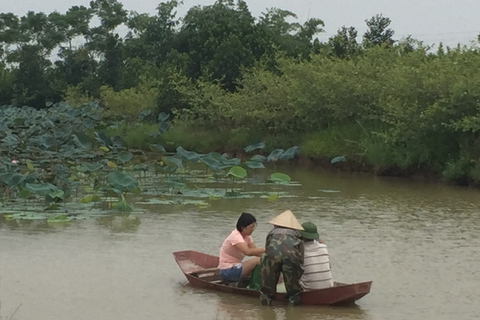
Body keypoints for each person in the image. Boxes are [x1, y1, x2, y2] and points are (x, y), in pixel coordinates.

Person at [259, 210, 305, 306]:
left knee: (267, 290)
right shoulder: (297, 235)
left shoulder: (271, 233)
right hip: (291, 257)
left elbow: (267, 249)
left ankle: (266, 307)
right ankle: (293, 308)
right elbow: (301, 255)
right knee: (293, 291)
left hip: (271, 257)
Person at [218, 213, 265, 283]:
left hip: (236, 267)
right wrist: (267, 248)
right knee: (257, 260)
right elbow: (248, 252)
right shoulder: (235, 236)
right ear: (243, 227)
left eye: (254, 227)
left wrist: (270, 256)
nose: (253, 229)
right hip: (227, 271)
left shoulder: (247, 236)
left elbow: (256, 252)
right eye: (251, 227)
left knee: (263, 259)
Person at [299, 222, 334, 290]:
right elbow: (329, 267)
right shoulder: (323, 247)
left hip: (308, 289)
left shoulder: (299, 251)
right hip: (329, 287)